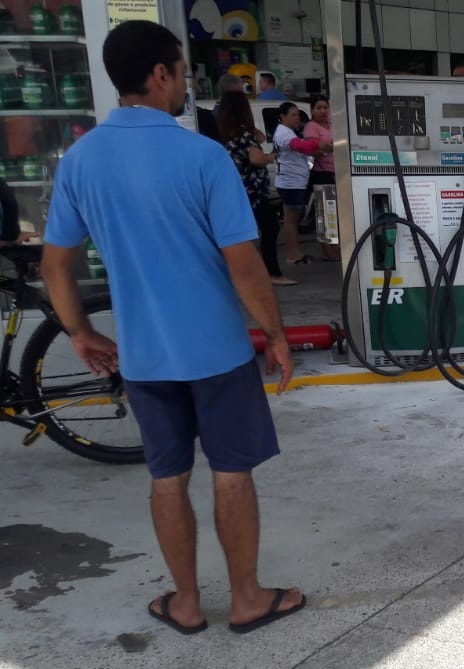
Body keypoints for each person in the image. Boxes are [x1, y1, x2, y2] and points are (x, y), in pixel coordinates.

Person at [38, 20, 305, 634]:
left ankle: (185, 603)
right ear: (160, 75)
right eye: (183, 72)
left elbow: (57, 264)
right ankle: (245, 598)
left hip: (143, 357)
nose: (185, 84)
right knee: (232, 473)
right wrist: (278, 336)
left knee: (167, 477)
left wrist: (80, 333)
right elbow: (244, 264)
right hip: (215, 350)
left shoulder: (81, 161)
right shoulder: (202, 155)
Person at [219, 91, 292, 286]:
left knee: (251, 232)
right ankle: (271, 272)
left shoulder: (229, 132)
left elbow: (255, 141)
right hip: (253, 192)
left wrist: (256, 137)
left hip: (241, 190)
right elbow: (255, 158)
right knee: (269, 228)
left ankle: (249, 272)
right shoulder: (243, 134)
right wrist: (271, 156)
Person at [273, 101, 331, 264]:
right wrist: (317, 144)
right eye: (293, 115)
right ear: (282, 116)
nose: (297, 118)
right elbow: (299, 146)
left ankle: (295, 252)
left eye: (298, 114)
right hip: (290, 182)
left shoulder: (289, 131)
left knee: (293, 219)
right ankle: (293, 254)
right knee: (291, 220)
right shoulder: (284, 133)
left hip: (294, 181)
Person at [303, 96, 339, 261]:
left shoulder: (331, 124)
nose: (323, 111)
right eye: (319, 108)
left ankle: (335, 246)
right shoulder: (311, 127)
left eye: (325, 107)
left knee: (335, 212)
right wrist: (327, 148)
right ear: (312, 110)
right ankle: (328, 250)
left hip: (336, 172)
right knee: (325, 213)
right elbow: (312, 150)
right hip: (321, 173)